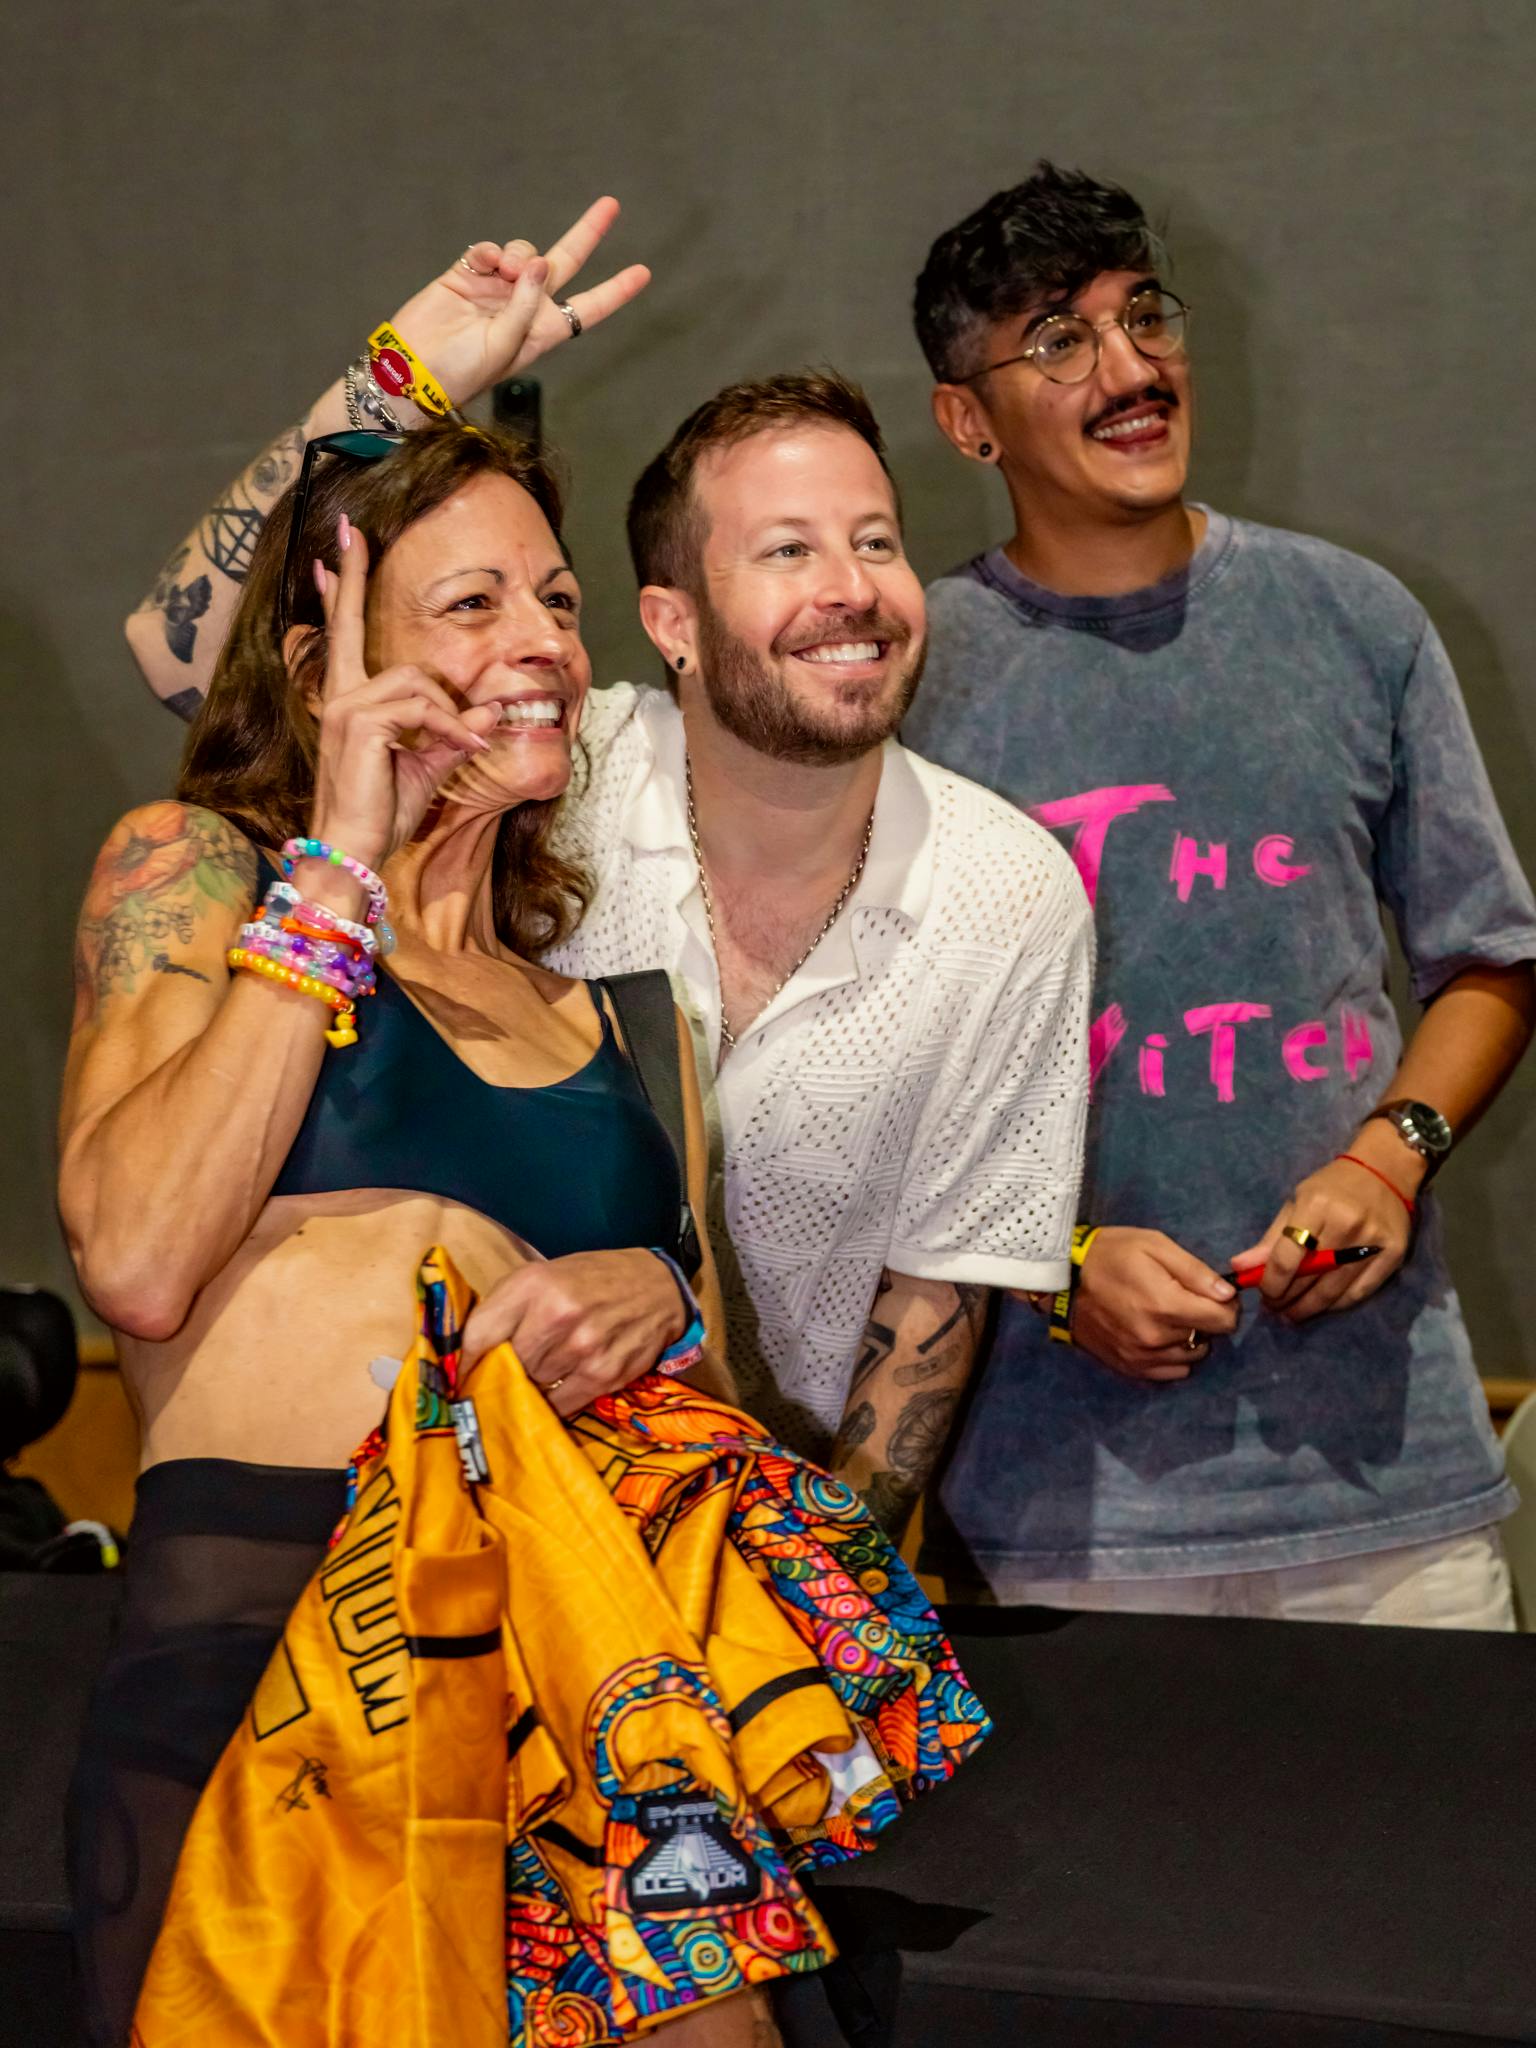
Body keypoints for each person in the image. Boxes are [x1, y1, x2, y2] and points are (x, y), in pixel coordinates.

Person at [62, 258, 986, 2041]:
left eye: (556, 601)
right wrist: (337, 862)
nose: (544, 643)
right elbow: (143, 1259)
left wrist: (660, 1294)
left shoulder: (629, 1020)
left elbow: (717, 1413)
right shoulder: (196, 879)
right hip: (273, 1683)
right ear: (329, 664)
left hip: (591, 1691)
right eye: (471, 602)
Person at [125, 215, 1094, 1542]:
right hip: (359, 1525)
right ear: (671, 622)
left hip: (688, 1547)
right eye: (788, 549)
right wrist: (400, 381)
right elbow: (196, 657)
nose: (851, 589)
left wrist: (815, 1599)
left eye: (876, 541)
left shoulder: (1010, 888)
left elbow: (932, 1312)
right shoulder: (550, 767)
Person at [903, 160, 1536, 1625]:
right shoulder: (914, 680)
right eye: (1060, 341)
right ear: (966, 420)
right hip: (1058, 1506)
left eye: (1146, 317)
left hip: (1389, 1478)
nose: (1131, 371)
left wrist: (1390, 1158)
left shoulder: (1356, 619)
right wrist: (1054, 1269)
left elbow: (1492, 958)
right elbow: (853, 1088)